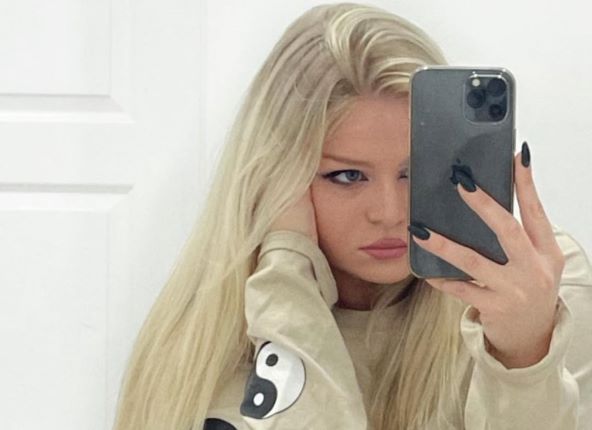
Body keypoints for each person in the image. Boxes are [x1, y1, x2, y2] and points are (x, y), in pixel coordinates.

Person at [111, 3, 592, 429]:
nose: (389, 213)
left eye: (413, 172)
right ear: (278, 176)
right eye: (347, 176)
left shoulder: (543, 287)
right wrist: (287, 286)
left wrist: (525, 358)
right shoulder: (207, 346)